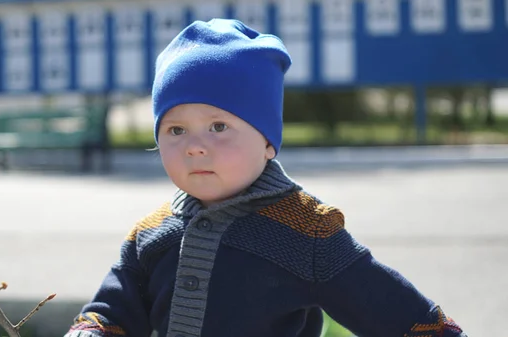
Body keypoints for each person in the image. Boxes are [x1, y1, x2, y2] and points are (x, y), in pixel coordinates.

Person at [64, 19, 467, 337]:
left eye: (219, 126)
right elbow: (112, 312)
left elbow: (393, 310)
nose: (195, 146)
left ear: (268, 143)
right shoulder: (150, 234)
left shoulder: (307, 231)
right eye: (175, 130)